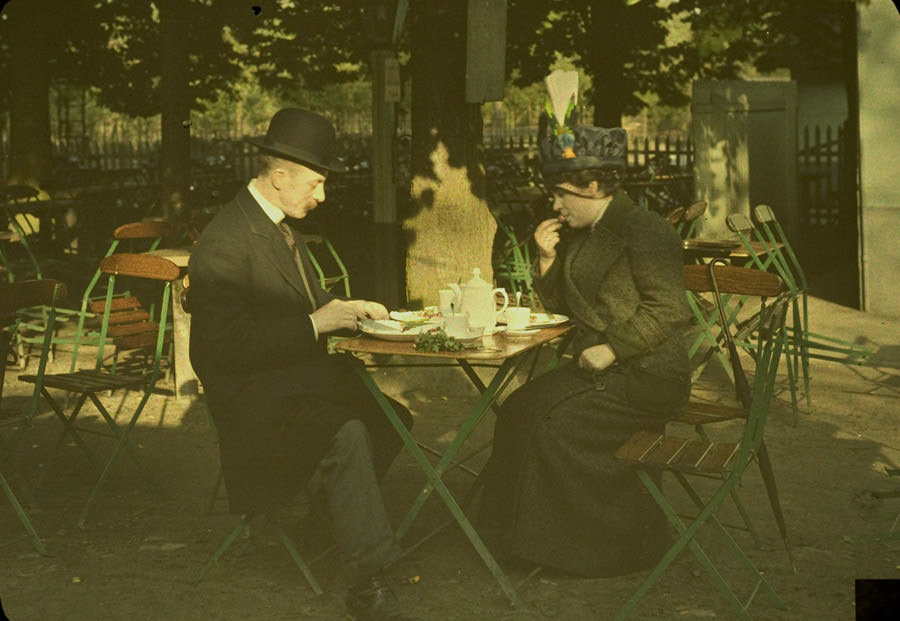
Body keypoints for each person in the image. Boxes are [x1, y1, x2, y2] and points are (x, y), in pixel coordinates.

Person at [188, 108, 418, 621]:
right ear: (279, 176)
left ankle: (321, 522)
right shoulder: (224, 243)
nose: (322, 196)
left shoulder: (276, 228)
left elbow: (308, 302)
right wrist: (318, 322)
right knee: (350, 431)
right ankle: (367, 581)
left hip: (292, 385)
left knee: (392, 418)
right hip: (250, 401)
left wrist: (348, 309)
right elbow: (222, 348)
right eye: (316, 183)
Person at [477, 111, 693, 577]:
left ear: (593, 187)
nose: (554, 204)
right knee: (519, 409)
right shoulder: (579, 233)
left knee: (552, 425)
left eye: (560, 194)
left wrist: (614, 348)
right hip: (603, 370)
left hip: (649, 374)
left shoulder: (645, 230)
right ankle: (508, 536)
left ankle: (596, 550)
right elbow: (564, 306)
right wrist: (548, 258)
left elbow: (672, 309)